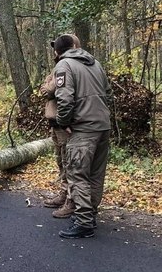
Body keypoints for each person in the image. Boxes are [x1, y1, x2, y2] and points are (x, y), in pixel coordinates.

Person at [51, 34, 112, 239]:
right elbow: (108, 93)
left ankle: (84, 222)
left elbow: (65, 98)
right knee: (95, 174)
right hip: (103, 126)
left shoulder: (64, 65)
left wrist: (64, 121)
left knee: (77, 173)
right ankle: (90, 213)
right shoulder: (96, 64)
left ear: (57, 51)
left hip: (83, 129)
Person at [40, 33, 81, 219]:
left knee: (68, 162)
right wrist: (49, 86)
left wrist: (49, 87)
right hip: (54, 123)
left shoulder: (66, 67)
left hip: (64, 124)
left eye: (57, 47)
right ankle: (63, 194)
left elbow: (49, 90)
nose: (55, 51)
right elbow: (43, 89)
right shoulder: (57, 67)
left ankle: (70, 200)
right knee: (60, 161)